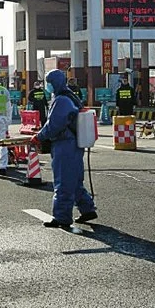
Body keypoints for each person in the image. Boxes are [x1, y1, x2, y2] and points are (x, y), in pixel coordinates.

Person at [32, 69, 97, 229]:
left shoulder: (61, 100)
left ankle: (61, 217)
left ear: (55, 82)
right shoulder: (68, 96)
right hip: (73, 143)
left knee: (63, 182)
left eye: (49, 82)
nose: (48, 86)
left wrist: (39, 136)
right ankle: (87, 209)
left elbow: (54, 125)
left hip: (65, 144)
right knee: (73, 180)